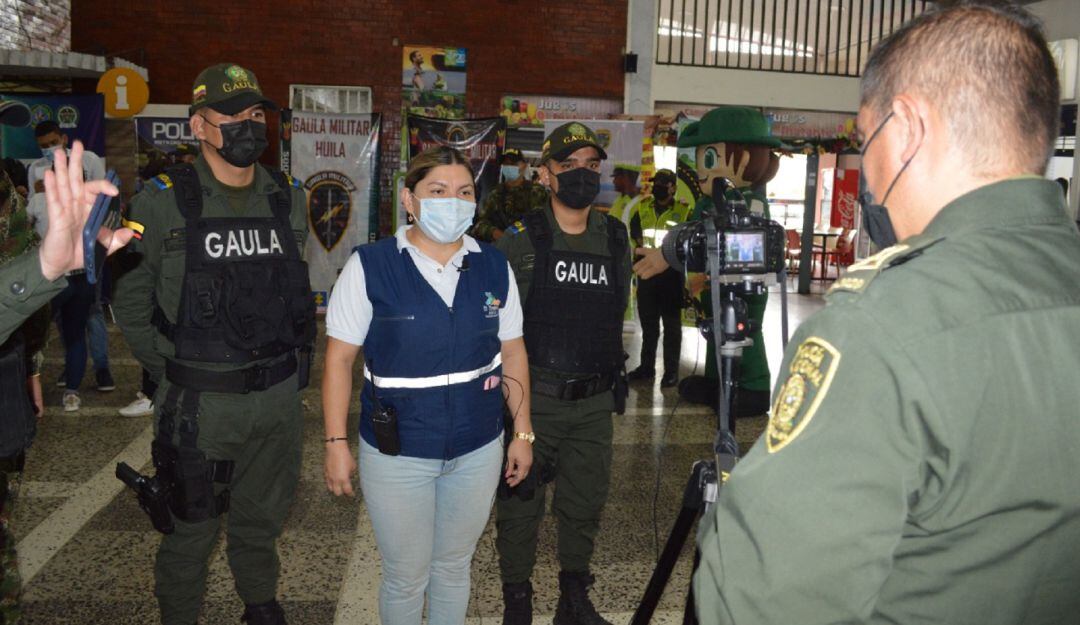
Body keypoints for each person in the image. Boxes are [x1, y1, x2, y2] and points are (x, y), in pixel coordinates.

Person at [693, 4, 1080, 624]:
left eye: (864, 142)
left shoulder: (881, 325)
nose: (868, 171)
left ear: (905, 128)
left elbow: (764, 600)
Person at [112, 62, 313, 625]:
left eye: (256, 114)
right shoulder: (161, 200)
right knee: (189, 530)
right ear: (199, 126)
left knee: (261, 523)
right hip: (199, 406)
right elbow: (129, 301)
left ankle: (261, 606)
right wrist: (176, 367)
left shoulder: (285, 196)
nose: (250, 125)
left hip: (276, 402)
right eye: (234, 115)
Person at [322, 146, 533, 625]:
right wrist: (335, 442)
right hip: (398, 449)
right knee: (405, 574)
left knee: (454, 566)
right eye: (437, 191)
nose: (452, 202)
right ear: (409, 200)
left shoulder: (493, 266)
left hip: (478, 445)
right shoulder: (371, 266)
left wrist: (522, 432)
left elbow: (514, 350)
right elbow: (339, 360)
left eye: (464, 192)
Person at [495, 122, 630, 625]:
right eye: (569, 165)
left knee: (583, 505)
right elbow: (499, 330)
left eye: (592, 165)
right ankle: (517, 602)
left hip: (594, 403)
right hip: (533, 400)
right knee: (518, 506)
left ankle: (573, 599)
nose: (582, 174)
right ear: (546, 174)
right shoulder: (520, 241)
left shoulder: (614, 237)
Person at [625, 169, 690, 388]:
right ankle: (646, 368)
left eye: (662, 183)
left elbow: (686, 242)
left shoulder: (683, 212)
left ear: (672, 187)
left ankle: (671, 372)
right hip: (647, 276)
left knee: (672, 327)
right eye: (655, 183)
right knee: (649, 326)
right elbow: (636, 236)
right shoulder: (642, 208)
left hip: (672, 276)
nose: (657, 186)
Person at [26, 120, 107, 238]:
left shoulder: (89, 159)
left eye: (54, 142)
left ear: (64, 139)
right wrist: (38, 193)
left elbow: (104, 195)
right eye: (44, 146)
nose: (50, 148)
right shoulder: (35, 168)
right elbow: (31, 205)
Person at [469, 149, 547, 242]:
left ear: (524, 166)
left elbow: (546, 221)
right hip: (499, 247)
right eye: (506, 164)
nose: (510, 167)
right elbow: (480, 224)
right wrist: (495, 233)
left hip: (527, 246)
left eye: (514, 164)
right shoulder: (495, 193)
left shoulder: (536, 192)